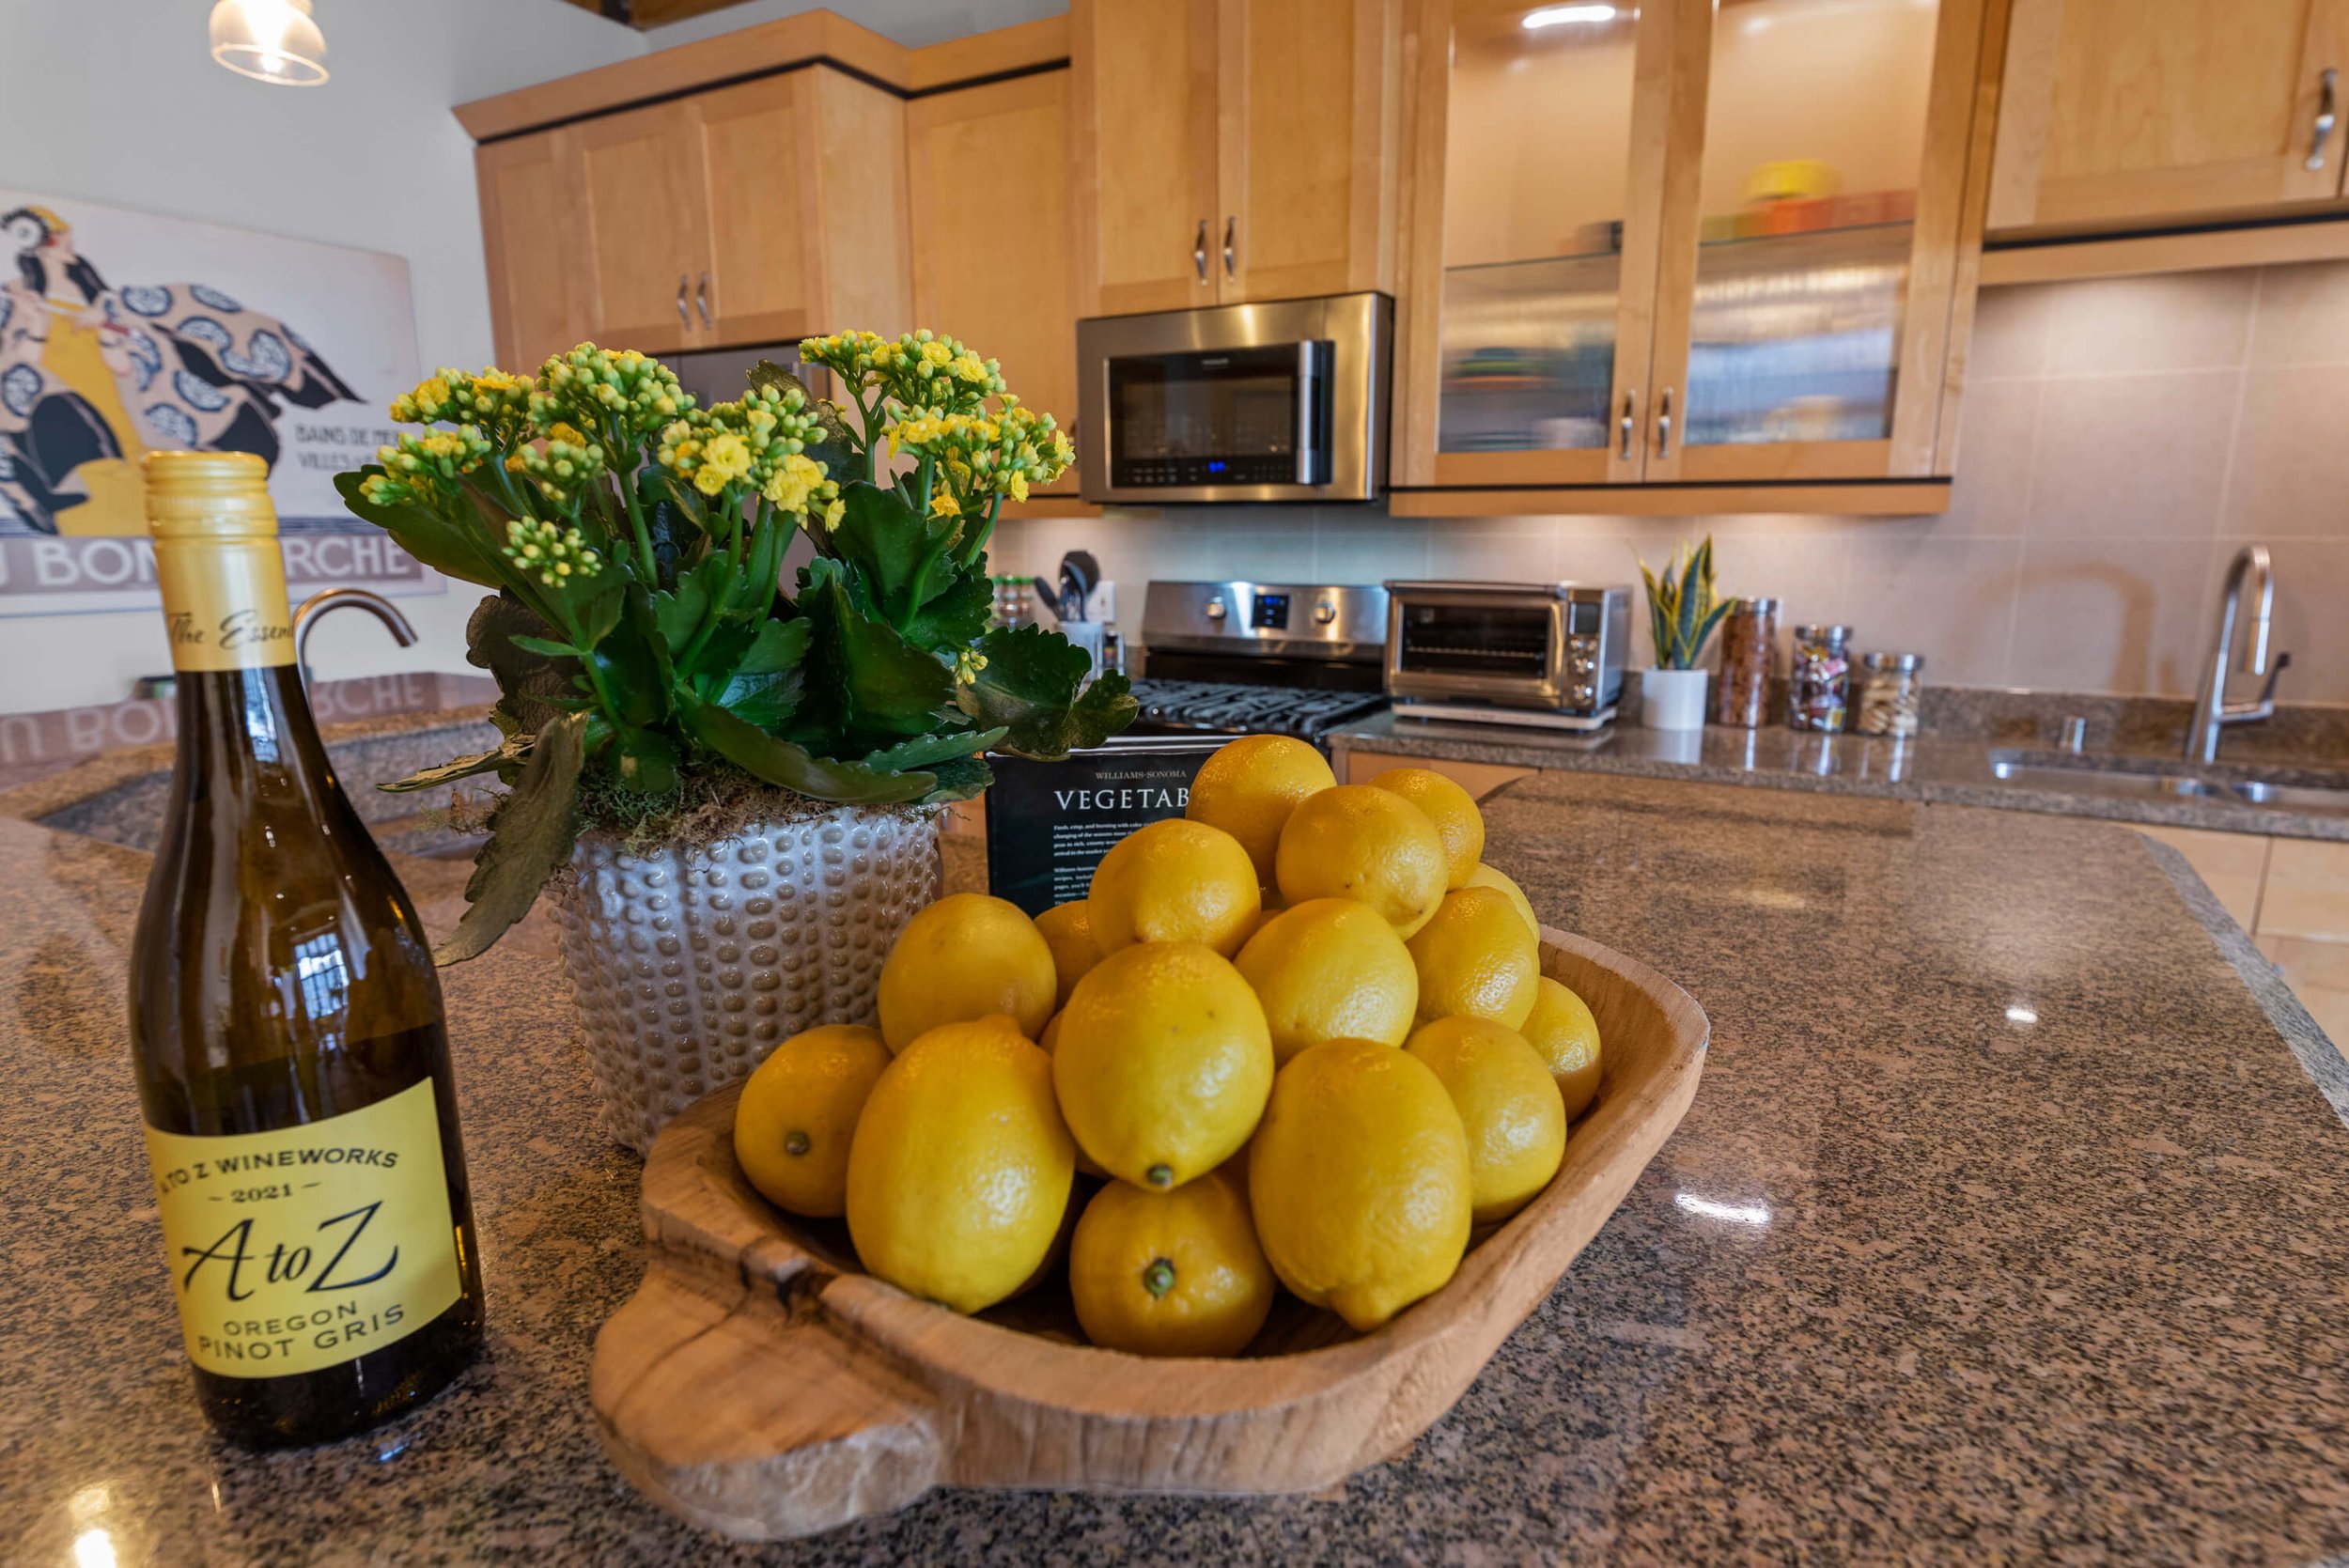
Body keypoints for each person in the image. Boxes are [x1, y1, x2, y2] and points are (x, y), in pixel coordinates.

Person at [1, 205, 361, 535]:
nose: (67, 241)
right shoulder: (20, 301)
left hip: (137, 420)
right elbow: (18, 378)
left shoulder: (102, 296)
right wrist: (36, 326)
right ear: (38, 245)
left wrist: (113, 326)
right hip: (78, 434)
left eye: (64, 233)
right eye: (56, 235)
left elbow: (131, 358)